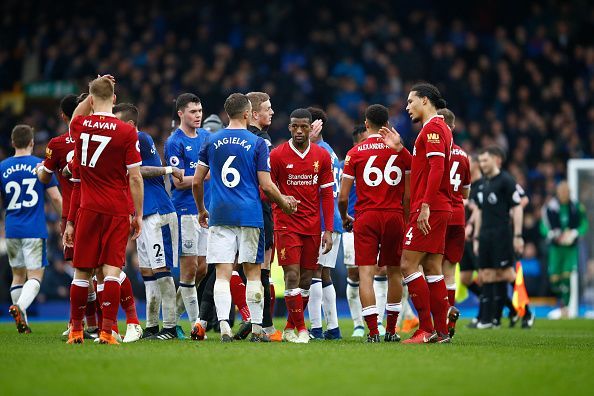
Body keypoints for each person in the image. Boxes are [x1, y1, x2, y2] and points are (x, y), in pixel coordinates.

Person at [192, 93, 297, 342]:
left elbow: (197, 181)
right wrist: (284, 203)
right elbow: (267, 186)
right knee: (253, 274)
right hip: (250, 215)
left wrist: (201, 210)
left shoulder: (211, 141)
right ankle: (259, 329)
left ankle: (225, 328)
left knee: (222, 274)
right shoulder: (257, 143)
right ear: (247, 114)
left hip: (220, 213)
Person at [63, 75, 144, 345]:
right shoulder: (126, 131)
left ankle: (75, 330)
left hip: (86, 206)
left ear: (90, 98)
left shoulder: (81, 125)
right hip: (116, 208)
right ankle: (108, 332)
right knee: (111, 270)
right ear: (114, 99)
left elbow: (76, 116)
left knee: (82, 272)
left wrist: (91, 93)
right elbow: (135, 177)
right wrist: (138, 214)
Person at [379, 83, 453, 343]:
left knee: (407, 264)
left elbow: (437, 169)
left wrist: (424, 205)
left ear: (424, 100)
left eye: (411, 102)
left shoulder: (432, 128)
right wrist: (402, 150)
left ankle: (425, 329)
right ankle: (441, 331)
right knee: (432, 267)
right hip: (440, 206)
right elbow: (424, 166)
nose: (407, 107)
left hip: (430, 208)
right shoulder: (437, 129)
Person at [339, 104, 412, 343]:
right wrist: (405, 216)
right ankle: (391, 330)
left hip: (366, 216)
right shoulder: (400, 151)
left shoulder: (355, 152)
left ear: (366, 124)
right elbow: (410, 192)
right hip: (393, 216)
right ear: (387, 124)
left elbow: (343, 196)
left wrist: (344, 216)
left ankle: (372, 331)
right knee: (394, 273)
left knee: (366, 274)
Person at [114, 103, 183, 340]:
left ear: (131, 125)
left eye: (119, 122)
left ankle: (171, 327)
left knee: (161, 269)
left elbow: (140, 170)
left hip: (158, 212)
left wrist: (167, 169)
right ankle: (152, 326)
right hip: (141, 216)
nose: (115, 126)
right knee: (147, 271)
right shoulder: (121, 143)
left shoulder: (140, 138)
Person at [270, 108, 335, 344]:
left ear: (310, 128)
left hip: (312, 226)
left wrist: (328, 229)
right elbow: (265, 192)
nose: (299, 131)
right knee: (292, 275)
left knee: (307, 279)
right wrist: (282, 200)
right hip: (286, 224)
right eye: (295, 126)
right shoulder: (277, 155)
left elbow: (327, 196)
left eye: (303, 127)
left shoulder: (322, 156)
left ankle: (289, 327)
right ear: (289, 127)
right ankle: (302, 330)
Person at [37, 94, 99, 338]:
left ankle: (81, 324)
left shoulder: (57, 144)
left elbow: (44, 178)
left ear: (64, 116)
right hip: (101, 208)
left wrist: (42, 169)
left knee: (81, 271)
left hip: (72, 213)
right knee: (100, 270)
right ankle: (100, 325)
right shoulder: (99, 138)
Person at [2, 124, 62, 333]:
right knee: (35, 276)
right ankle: (19, 307)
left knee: (17, 276)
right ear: (31, 142)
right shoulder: (39, 165)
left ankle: (22, 322)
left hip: (11, 229)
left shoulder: (2, 168)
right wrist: (66, 219)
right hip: (34, 229)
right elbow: (55, 196)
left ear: (12, 142)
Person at [164, 93, 209, 340]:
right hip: (185, 212)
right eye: (193, 111)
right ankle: (195, 326)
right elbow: (177, 182)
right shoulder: (174, 142)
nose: (198, 115)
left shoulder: (206, 137)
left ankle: (172, 317)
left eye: (200, 110)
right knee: (189, 269)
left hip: (205, 210)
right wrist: (205, 176)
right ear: (181, 113)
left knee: (202, 268)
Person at [472, 146, 528, 329]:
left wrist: (518, 235)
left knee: (505, 274)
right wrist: (477, 238)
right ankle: (487, 320)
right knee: (486, 275)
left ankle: (527, 312)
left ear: (495, 160)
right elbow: (480, 211)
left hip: (501, 235)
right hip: (485, 235)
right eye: (480, 161)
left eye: (485, 160)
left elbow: (518, 206)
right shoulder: (484, 183)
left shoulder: (505, 180)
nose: (482, 164)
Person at [241, 91, 280, 341]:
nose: (271, 111)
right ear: (254, 114)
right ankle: (263, 326)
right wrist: (283, 202)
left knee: (227, 271)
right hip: (259, 210)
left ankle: (237, 322)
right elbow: (266, 183)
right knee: (261, 271)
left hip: (232, 210)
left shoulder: (234, 137)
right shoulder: (262, 141)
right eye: (267, 108)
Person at [307, 106, 343, 340]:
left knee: (313, 273)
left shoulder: (316, 153)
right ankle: (333, 328)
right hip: (334, 221)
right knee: (325, 274)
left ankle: (317, 329)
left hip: (321, 221)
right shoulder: (331, 152)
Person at [436, 108, 469, 337]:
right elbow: (466, 193)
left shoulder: (436, 150)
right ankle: (449, 319)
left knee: (429, 268)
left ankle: (439, 317)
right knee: (450, 272)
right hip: (458, 215)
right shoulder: (464, 155)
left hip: (440, 213)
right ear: (454, 126)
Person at [540, 181, 588, 319]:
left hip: (570, 249)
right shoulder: (550, 207)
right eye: (562, 192)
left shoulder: (577, 207)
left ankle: (565, 308)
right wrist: (552, 234)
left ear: (570, 193)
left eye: (566, 192)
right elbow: (543, 226)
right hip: (556, 248)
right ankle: (561, 303)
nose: (564, 194)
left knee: (567, 277)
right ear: (558, 192)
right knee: (555, 279)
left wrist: (574, 233)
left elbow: (584, 224)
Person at [341, 125, 368, 337]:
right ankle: (358, 324)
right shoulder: (345, 166)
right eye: (364, 141)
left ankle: (378, 322)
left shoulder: (380, 161)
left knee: (380, 271)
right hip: (351, 225)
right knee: (355, 273)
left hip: (374, 223)